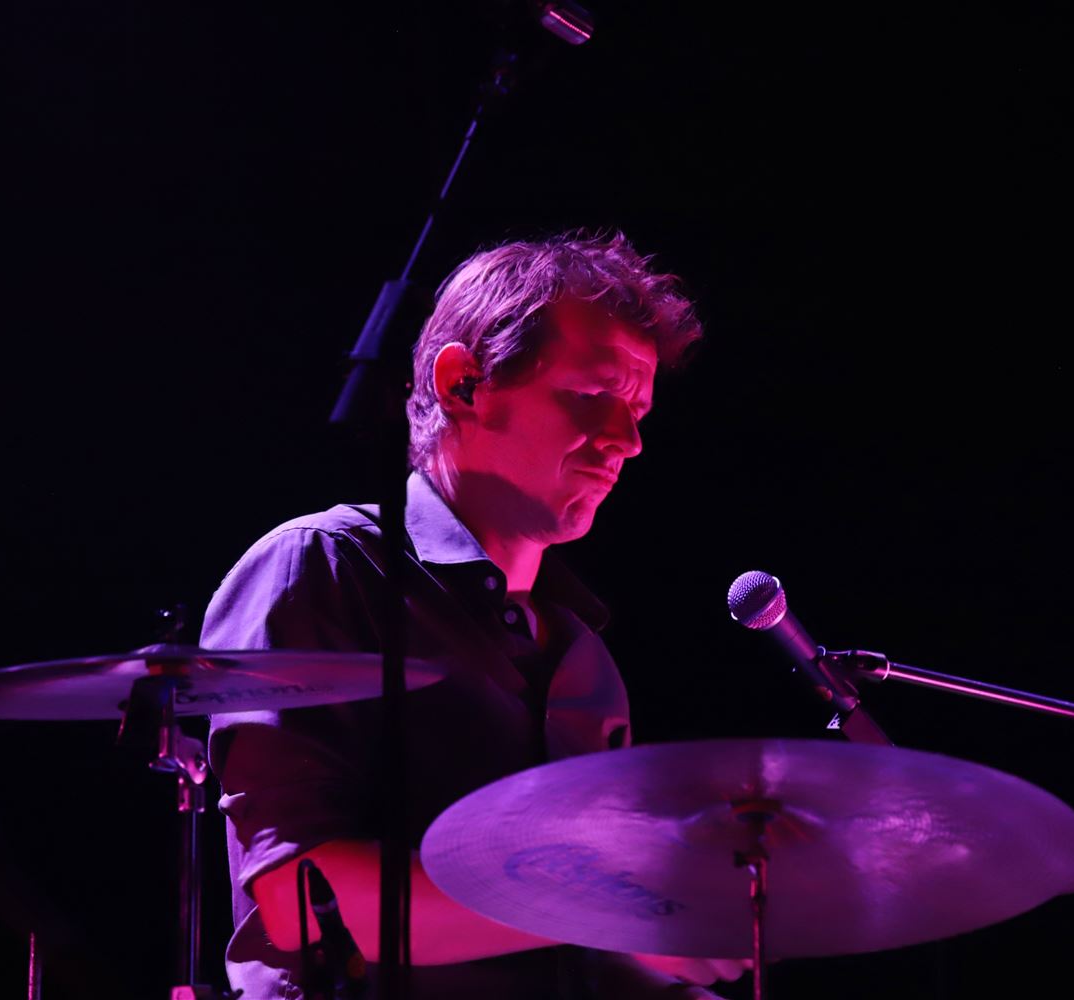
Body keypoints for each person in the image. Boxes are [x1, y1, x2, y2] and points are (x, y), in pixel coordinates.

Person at [202, 231, 740, 998]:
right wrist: (607, 908)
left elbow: (576, 946)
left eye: (638, 410)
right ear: (463, 383)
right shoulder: (327, 566)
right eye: (594, 395)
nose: (628, 441)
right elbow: (303, 902)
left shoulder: (583, 657)